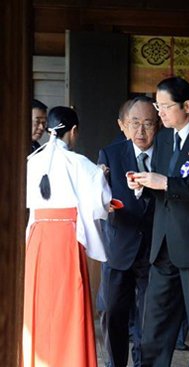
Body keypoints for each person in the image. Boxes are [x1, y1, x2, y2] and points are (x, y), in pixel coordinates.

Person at [127, 76, 189, 367]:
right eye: (157, 106)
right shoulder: (163, 139)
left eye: (165, 107)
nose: (159, 113)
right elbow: (161, 188)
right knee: (156, 323)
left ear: (186, 106)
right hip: (164, 244)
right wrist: (143, 186)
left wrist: (165, 183)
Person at [23, 106, 111, 367]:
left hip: (39, 235)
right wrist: (101, 176)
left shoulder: (32, 160)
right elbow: (100, 202)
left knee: (39, 304)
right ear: (73, 131)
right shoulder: (79, 162)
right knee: (67, 305)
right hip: (65, 237)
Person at [97, 96, 160, 367]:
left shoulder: (167, 154)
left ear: (158, 125)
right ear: (124, 125)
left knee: (149, 320)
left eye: (148, 123)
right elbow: (97, 198)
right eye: (135, 123)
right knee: (114, 314)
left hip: (154, 248)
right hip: (119, 246)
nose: (141, 131)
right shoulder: (110, 154)